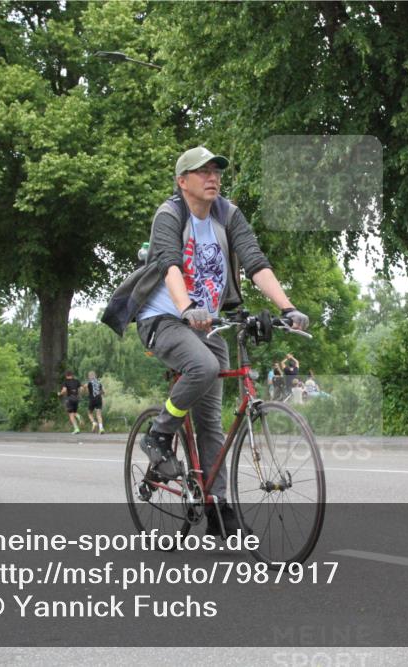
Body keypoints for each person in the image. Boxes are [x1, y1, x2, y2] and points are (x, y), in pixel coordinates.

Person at [130, 146, 308, 538]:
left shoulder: (227, 214)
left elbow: (255, 261)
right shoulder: (170, 214)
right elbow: (169, 264)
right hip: (164, 318)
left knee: (211, 421)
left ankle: (217, 508)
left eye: (216, 171)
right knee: (204, 367)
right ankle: (159, 434)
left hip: (210, 321)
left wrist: (288, 307)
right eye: (202, 171)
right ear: (182, 181)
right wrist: (187, 306)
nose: (213, 177)